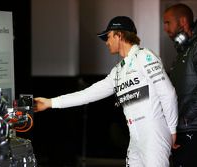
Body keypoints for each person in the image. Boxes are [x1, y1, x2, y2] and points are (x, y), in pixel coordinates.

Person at [34, 16, 178, 166]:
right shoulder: (118, 71)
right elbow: (87, 94)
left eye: (108, 37)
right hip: (135, 136)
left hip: (154, 133)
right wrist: (50, 103)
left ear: (119, 35)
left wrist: (172, 130)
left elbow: (168, 94)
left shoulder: (145, 56)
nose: (106, 43)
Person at [163, 3, 197, 167]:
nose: (165, 28)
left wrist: (186, 117)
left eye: (167, 23)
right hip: (185, 127)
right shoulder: (184, 49)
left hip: (194, 127)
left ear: (183, 21)